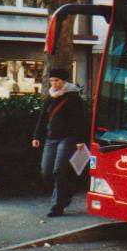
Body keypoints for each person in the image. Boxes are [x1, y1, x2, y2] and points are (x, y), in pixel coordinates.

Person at [31, 68, 86, 217]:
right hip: (51, 138)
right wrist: (37, 136)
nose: (54, 84)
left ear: (64, 81)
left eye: (57, 81)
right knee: (46, 171)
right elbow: (43, 118)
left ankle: (58, 206)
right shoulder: (50, 97)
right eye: (52, 81)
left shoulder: (73, 97)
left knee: (58, 171)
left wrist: (80, 139)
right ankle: (67, 193)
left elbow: (80, 120)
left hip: (68, 139)